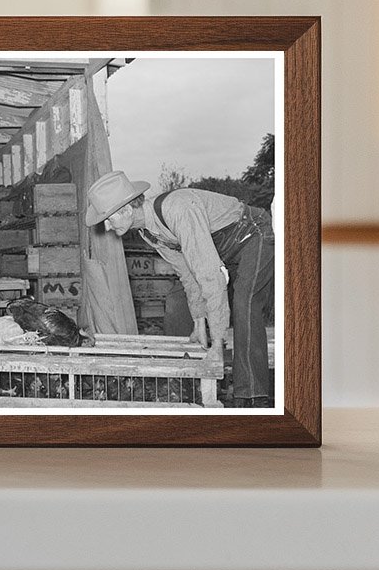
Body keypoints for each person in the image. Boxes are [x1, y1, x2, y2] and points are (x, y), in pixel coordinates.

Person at [85, 170, 274, 408]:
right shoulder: (148, 232)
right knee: (176, 302)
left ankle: (251, 398)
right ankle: (186, 389)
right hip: (223, 249)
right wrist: (197, 321)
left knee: (244, 302)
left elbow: (209, 276)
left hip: (253, 234)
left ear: (124, 210)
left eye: (108, 219)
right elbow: (187, 274)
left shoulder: (178, 210)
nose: (108, 227)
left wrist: (217, 344)